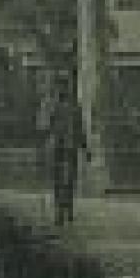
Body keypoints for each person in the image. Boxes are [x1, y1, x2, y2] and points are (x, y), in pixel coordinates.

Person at [39, 75, 90, 228]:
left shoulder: (75, 107)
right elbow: (43, 127)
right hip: (55, 147)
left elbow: (80, 129)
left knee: (69, 179)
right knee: (57, 180)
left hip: (70, 146)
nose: (62, 89)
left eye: (64, 86)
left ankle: (68, 208)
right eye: (59, 86)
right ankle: (59, 211)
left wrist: (85, 148)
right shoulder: (49, 105)